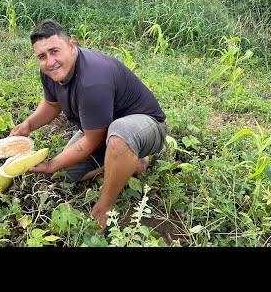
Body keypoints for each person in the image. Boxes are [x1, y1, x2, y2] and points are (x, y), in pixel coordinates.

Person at [9, 19, 167, 233]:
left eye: (55, 51)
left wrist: (50, 164)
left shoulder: (92, 80)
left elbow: (91, 139)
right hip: (104, 130)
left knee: (119, 137)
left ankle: (103, 209)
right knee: (66, 176)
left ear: (72, 46)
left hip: (146, 126)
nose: (50, 61)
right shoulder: (51, 72)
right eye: (42, 56)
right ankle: (132, 162)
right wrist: (28, 124)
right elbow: (50, 104)